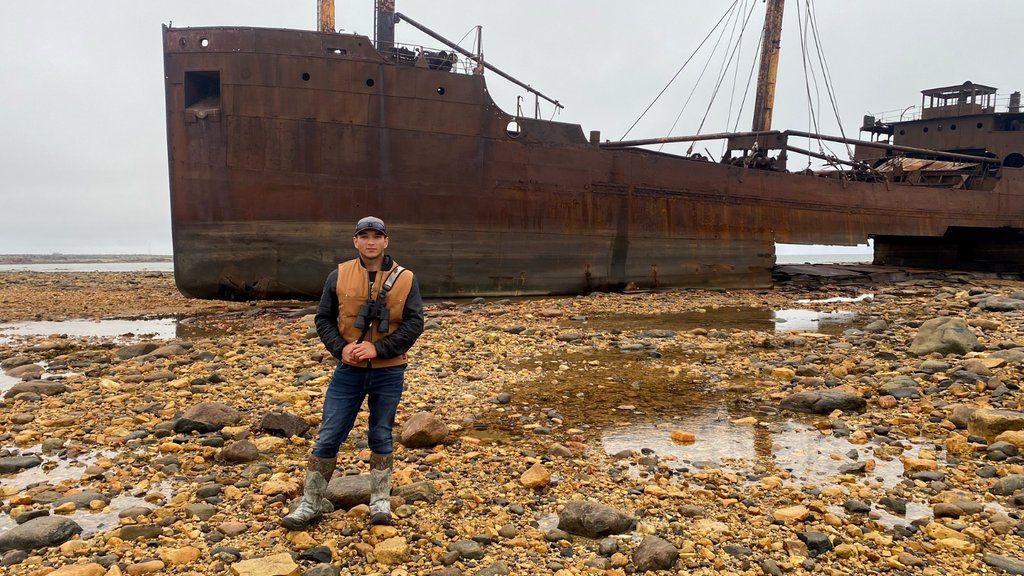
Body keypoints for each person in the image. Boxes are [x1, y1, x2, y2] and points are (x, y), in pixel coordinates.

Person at [281, 216, 425, 530]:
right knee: (329, 436)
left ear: (386, 242)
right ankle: (310, 504)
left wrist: (379, 348)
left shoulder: (407, 278)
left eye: (377, 236)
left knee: (381, 434)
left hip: (389, 371)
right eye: (365, 236)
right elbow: (323, 319)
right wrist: (340, 349)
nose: (371, 242)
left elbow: (415, 323)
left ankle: (380, 503)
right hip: (348, 371)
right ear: (355, 241)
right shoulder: (338, 275)